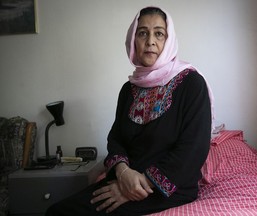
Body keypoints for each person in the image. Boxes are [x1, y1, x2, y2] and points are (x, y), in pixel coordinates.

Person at [46, 6, 212, 216]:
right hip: (124, 179)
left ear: (169, 41)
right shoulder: (129, 89)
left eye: (159, 33)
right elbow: (116, 139)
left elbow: (194, 149)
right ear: (133, 40)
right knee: (57, 211)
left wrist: (136, 187)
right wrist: (123, 173)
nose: (150, 41)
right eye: (142, 33)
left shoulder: (192, 84)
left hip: (170, 188)